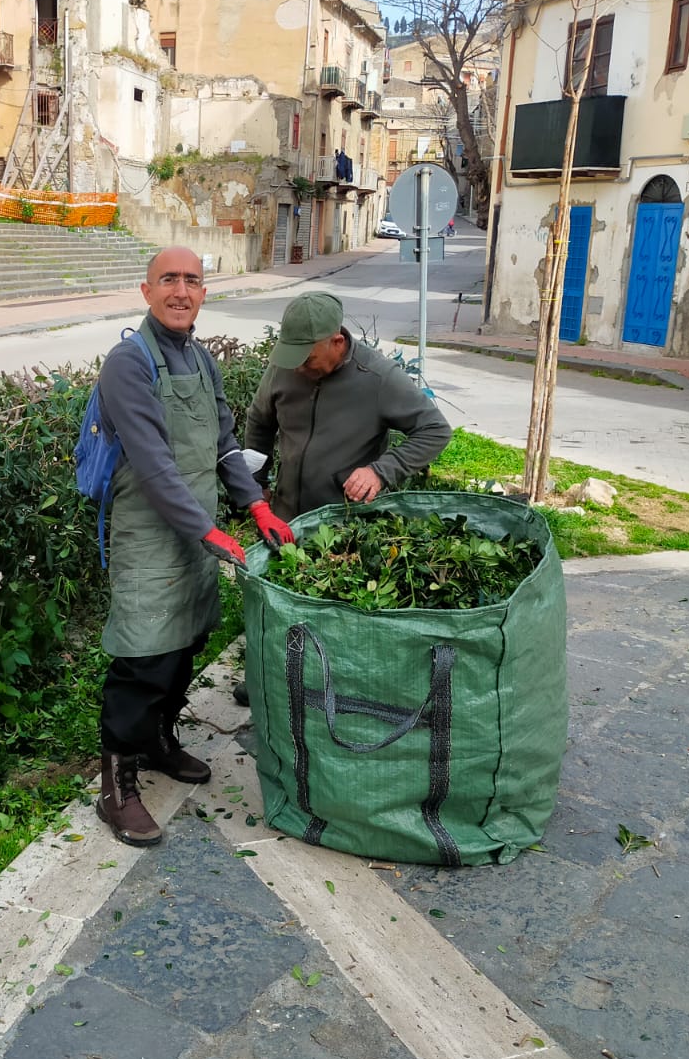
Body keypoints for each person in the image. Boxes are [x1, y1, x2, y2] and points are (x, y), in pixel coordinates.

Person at [93, 247, 295, 847]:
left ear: (204, 293)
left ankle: (159, 741)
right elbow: (155, 469)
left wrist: (255, 504)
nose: (181, 291)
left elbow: (226, 445)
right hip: (152, 536)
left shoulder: (202, 360)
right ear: (147, 290)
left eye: (193, 281)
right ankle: (116, 785)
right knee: (144, 656)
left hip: (199, 533)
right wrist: (207, 531)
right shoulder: (128, 365)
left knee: (184, 643)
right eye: (169, 281)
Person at [245, 291, 453, 524]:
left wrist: (380, 472)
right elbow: (260, 422)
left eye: (307, 359)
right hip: (285, 519)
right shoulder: (285, 365)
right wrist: (257, 483)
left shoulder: (378, 377)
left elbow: (435, 430)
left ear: (337, 342)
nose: (297, 369)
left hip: (346, 525)